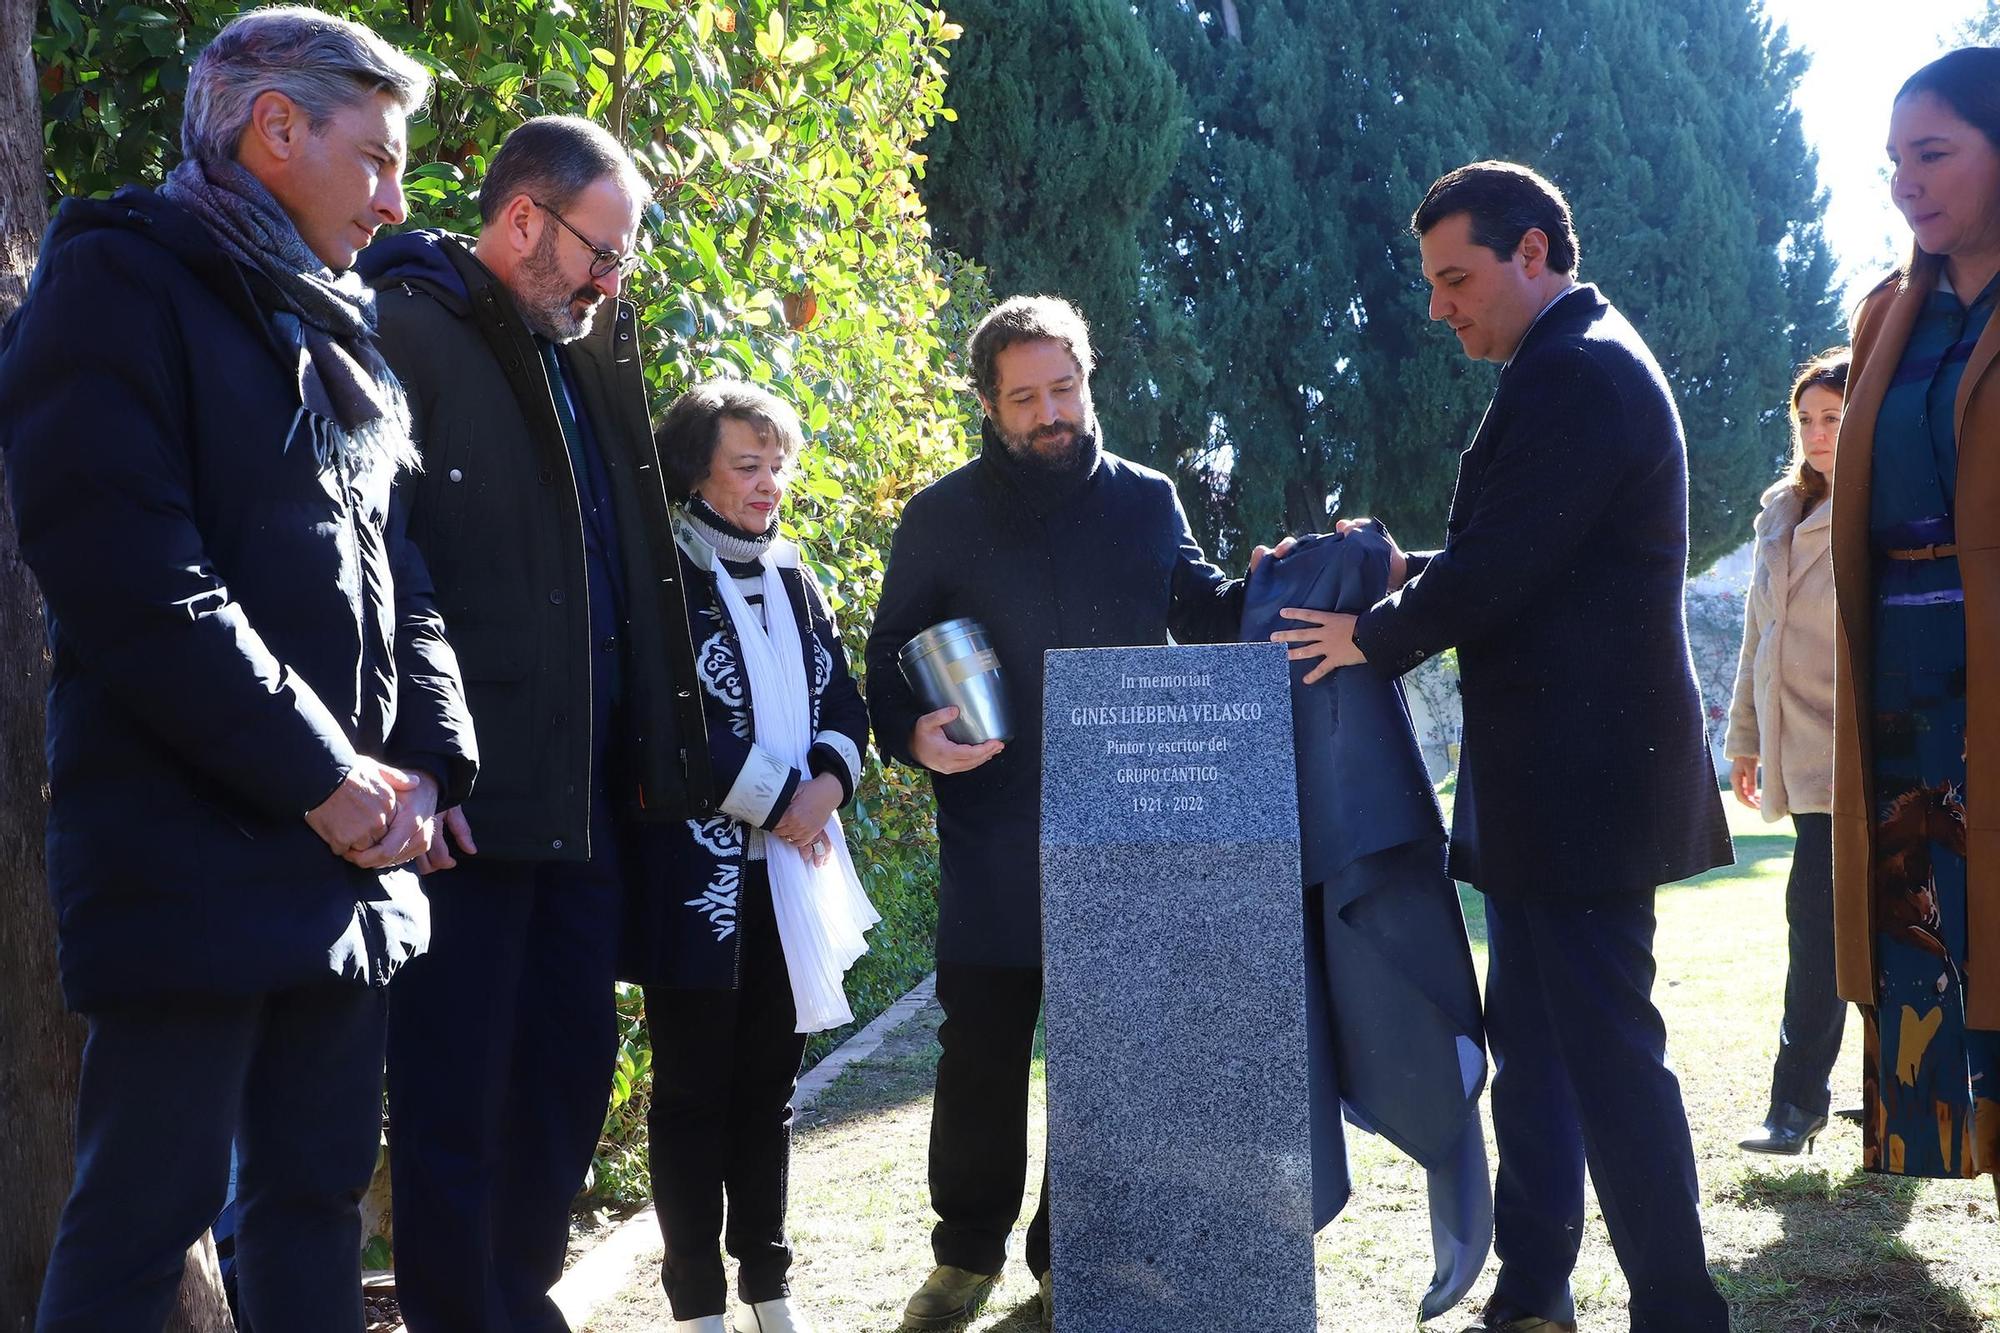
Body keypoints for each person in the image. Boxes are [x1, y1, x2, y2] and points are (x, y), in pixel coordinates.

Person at [0, 10, 475, 1330]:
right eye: (377, 159)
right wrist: (324, 775)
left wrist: (429, 769)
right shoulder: (117, 284)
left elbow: (401, 567)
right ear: (276, 129)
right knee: (144, 1222)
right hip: (185, 860)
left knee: (314, 1206)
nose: (395, 201)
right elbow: (132, 579)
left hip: (347, 864)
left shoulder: (335, 320)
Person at [1276, 162, 1733, 1332]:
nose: (1439, 308)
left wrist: (1369, 635)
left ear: (1532, 252)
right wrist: (1400, 571)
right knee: (1534, 1051)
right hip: (1550, 792)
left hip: (1582, 791)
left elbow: (1506, 564)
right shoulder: (1565, 361)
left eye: (1455, 279)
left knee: (1608, 1061)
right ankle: (1531, 1291)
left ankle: (1680, 1311)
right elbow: (1524, 551)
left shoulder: (1578, 370)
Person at [864, 295, 1289, 1331]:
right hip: (994, 836)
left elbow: (1196, 603)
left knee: (1106, 1055)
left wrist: (1286, 582)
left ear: (1087, 379)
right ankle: (962, 1258)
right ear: (987, 402)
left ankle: (1072, 1255)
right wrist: (913, 734)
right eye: (1024, 397)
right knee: (979, 1053)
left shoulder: (1145, 499)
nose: (1049, 413)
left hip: (1123, 836)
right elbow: (884, 666)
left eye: (1063, 389)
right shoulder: (940, 515)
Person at [356, 118, 712, 1331]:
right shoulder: (402, 332)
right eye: (601, 251)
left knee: (565, 1086)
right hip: (464, 808)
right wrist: (419, 758)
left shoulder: (583, 362)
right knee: (457, 1101)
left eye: (623, 261)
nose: (613, 280)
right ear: (522, 220)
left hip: (586, 810)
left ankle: (517, 1305)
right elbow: (376, 568)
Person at [636, 380, 875, 1333]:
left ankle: (769, 1289)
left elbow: (844, 703)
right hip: (697, 887)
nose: (770, 482)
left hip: (792, 880)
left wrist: (825, 788)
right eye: (748, 464)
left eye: (778, 464)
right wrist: (788, 804)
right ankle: (696, 1304)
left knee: (768, 1095)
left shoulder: (794, 575)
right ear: (698, 468)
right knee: (692, 1094)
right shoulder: (661, 577)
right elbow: (668, 732)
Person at [1830, 46, 2000, 1197]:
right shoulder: (1884, 314)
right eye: (1892, 160)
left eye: (1931, 153)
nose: (1904, 181)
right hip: (1901, 703)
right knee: (1936, 976)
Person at [1727, 351, 1850, 1157]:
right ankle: (1799, 1101)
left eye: (1831, 417)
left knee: (1882, 932)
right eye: (1804, 418)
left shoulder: (1890, 500)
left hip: (1874, 755)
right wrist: (1743, 739)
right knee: (1816, 927)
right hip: (1800, 754)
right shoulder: (1779, 510)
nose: (1814, 433)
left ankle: (1869, 1097)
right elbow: (1756, 639)